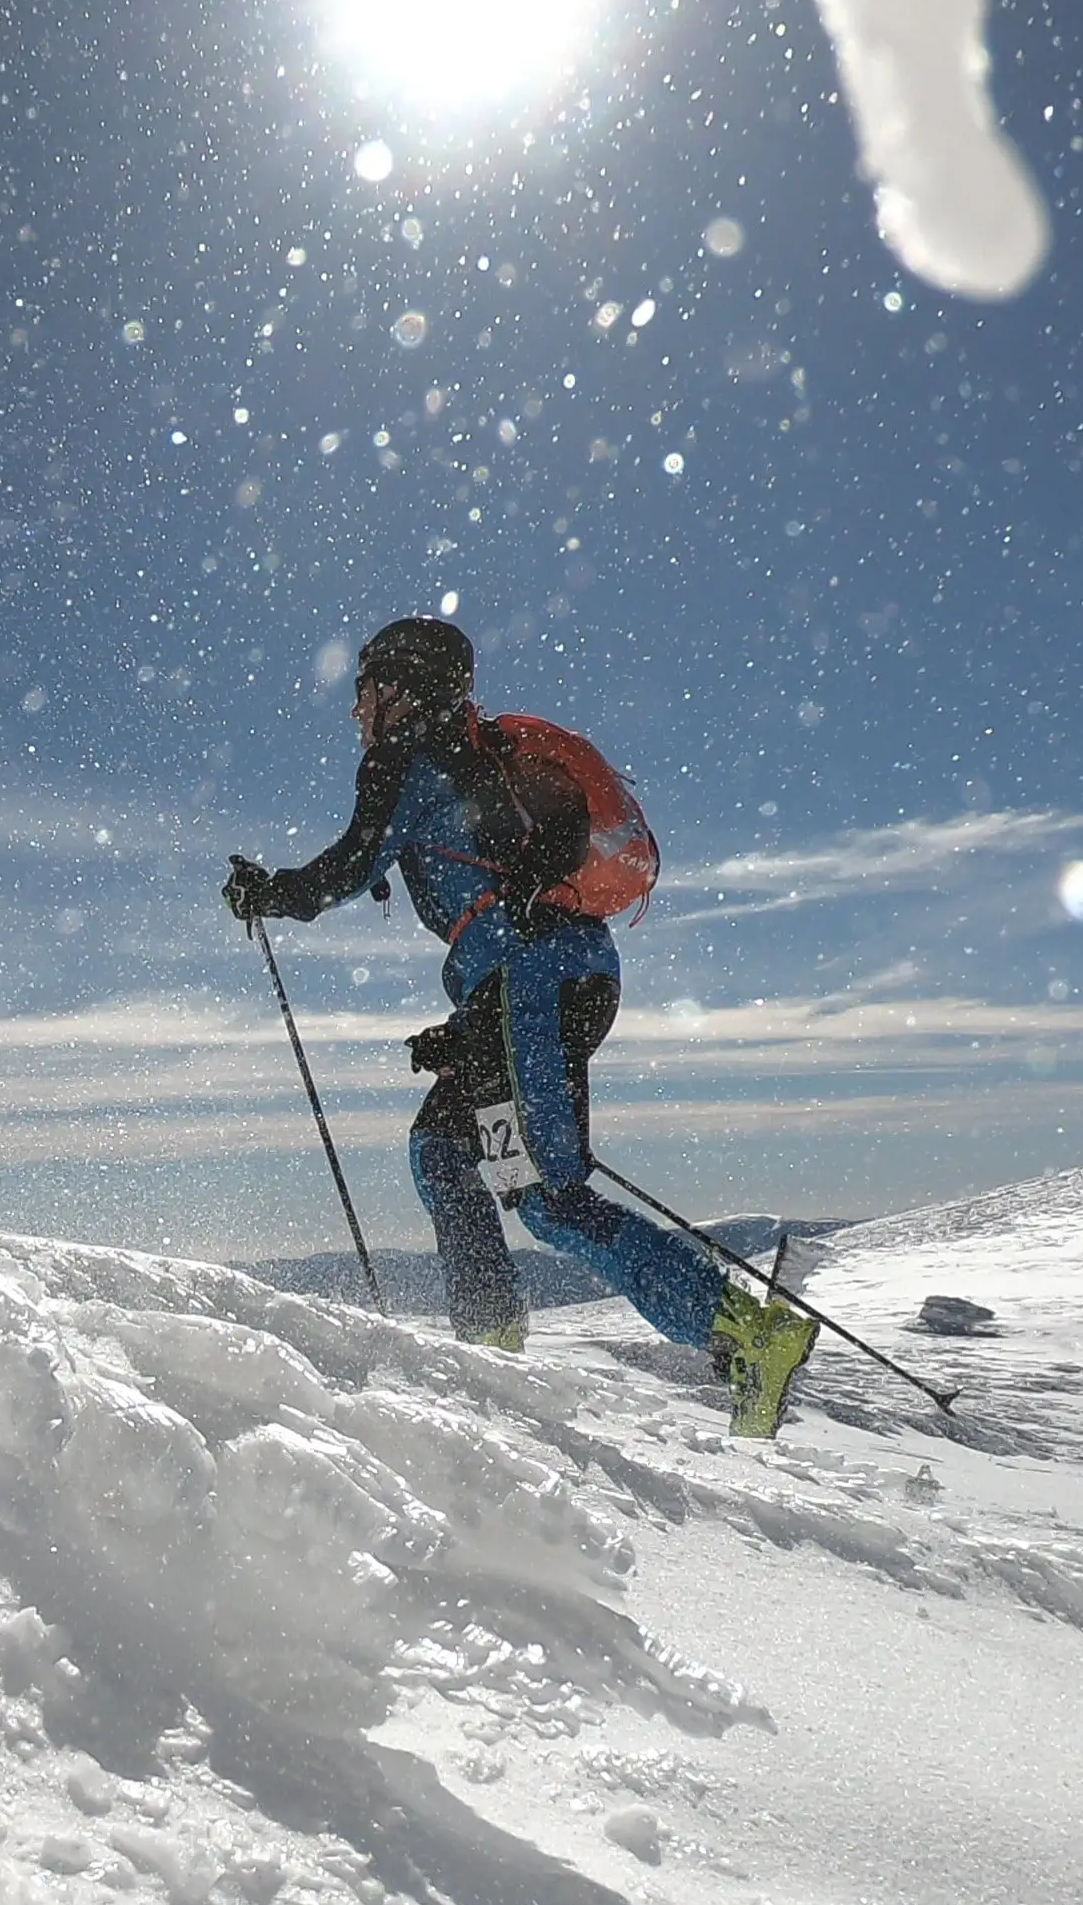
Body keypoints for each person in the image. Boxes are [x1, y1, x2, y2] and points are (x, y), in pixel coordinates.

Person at [224, 614, 821, 1438]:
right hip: (540, 981)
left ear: (400, 687)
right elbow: (504, 896)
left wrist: (270, 893)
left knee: (547, 1197)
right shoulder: (472, 762)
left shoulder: (405, 760)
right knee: (441, 1148)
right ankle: (489, 1351)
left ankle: (750, 1335)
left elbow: (352, 866)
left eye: (365, 689)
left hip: (529, 982)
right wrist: (469, 1031)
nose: (357, 709)